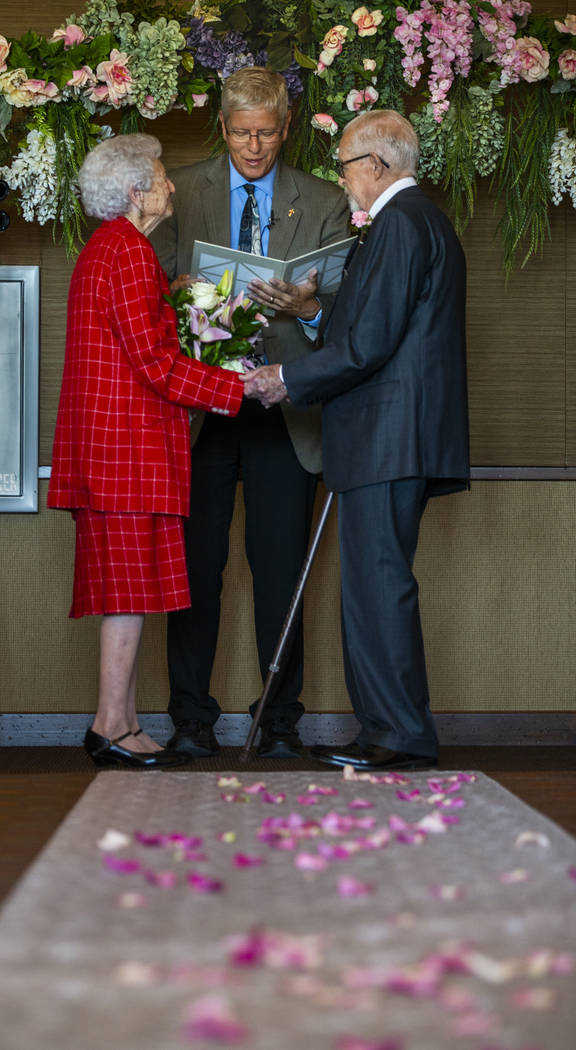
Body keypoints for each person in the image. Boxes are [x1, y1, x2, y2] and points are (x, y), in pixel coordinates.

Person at [243, 109, 470, 772]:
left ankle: (398, 736)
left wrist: (285, 377)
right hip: (392, 438)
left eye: (343, 165)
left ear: (378, 165)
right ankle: (389, 727)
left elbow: (369, 345)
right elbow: (370, 327)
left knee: (377, 586)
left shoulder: (400, 222)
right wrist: (314, 310)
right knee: (376, 585)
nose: (340, 179)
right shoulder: (416, 221)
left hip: (388, 437)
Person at [151, 67, 349, 760]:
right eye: (241, 134)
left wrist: (313, 309)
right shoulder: (178, 191)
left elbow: (351, 319)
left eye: (266, 133)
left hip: (282, 412)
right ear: (223, 128)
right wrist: (177, 292)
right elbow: (144, 299)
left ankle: (280, 722)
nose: (255, 147)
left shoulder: (323, 199)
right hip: (202, 409)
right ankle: (190, 720)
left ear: (287, 126)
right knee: (195, 572)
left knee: (280, 569)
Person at [47, 134, 244, 770]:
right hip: (124, 453)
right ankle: (111, 726)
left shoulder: (108, 250)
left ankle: (122, 722)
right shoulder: (129, 251)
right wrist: (239, 387)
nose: (172, 186)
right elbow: (157, 364)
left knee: (125, 590)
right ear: (136, 191)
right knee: (128, 593)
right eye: (161, 177)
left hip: (109, 450)